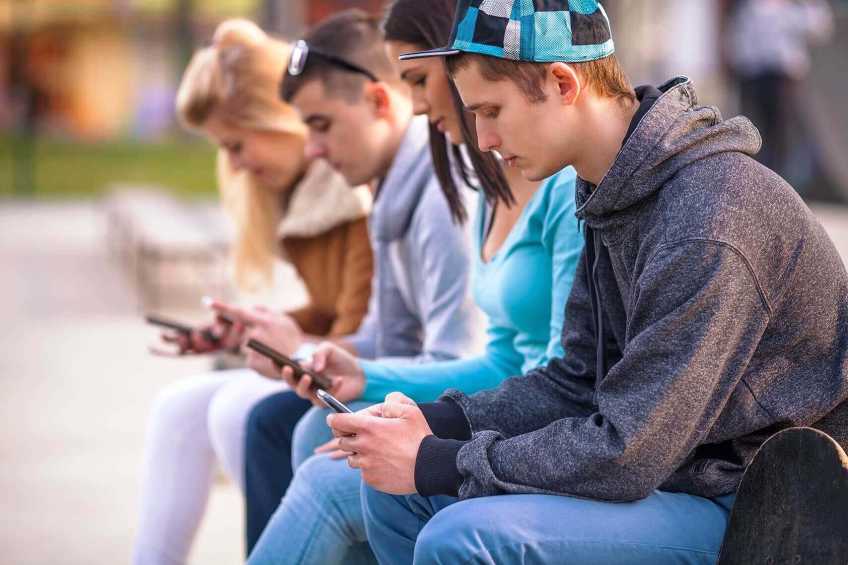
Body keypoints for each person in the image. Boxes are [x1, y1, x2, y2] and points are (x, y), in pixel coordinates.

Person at [339, 1, 847, 563]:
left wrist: (438, 460)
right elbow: (577, 381)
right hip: (677, 473)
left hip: (760, 505)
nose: (481, 139)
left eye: (491, 110)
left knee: (463, 535)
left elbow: (630, 450)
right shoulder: (613, 190)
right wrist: (436, 421)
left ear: (562, 83)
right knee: (396, 499)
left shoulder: (710, 219)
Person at [244, 1, 583, 562]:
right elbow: (499, 359)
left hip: (539, 434)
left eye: (420, 79)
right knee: (319, 438)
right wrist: (365, 377)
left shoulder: (559, 184)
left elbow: (564, 379)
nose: (417, 102)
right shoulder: (491, 187)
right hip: (505, 409)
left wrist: (423, 434)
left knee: (331, 478)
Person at [234, 9, 484, 556]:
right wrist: (307, 352)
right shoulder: (393, 188)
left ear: (377, 101)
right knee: (292, 426)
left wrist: (316, 354)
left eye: (321, 125)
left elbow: (457, 356)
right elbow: (381, 333)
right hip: (424, 406)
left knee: (312, 453)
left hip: (469, 423)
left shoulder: (446, 196)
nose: (315, 150)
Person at [132, 19, 376, 565]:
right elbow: (331, 309)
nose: (236, 164)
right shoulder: (302, 196)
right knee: (179, 406)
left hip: (380, 375)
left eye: (237, 144)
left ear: (278, 119)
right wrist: (250, 332)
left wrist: (287, 341)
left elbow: (364, 333)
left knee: (237, 409)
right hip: (344, 357)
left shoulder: (349, 192)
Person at [726, 0, 834, 188]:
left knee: (783, 132)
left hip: (784, 77)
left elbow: (819, 28)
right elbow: (741, 40)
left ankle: (781, 181)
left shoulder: (795, 9)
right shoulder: (751, 7)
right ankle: (756, 178)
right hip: (755, 75)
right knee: (756, 128)